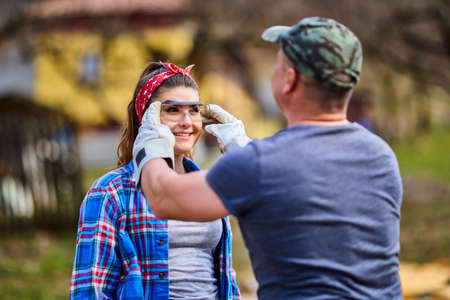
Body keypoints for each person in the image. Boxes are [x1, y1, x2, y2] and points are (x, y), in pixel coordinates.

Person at [133, 17, 403, 299]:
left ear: (289, 80)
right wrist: (242, 152)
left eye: (278, 63)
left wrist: (151, 144)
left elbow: (164, 197)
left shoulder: (261, 164)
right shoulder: (381, 155)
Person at [70, 62, 240, 299]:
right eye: (172, 110)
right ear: (146, 119)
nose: (187, 122)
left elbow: (226, 275)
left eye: (193, 110)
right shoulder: (110, 192)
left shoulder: (208, 185)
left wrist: (244, 156)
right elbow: (90, 290)